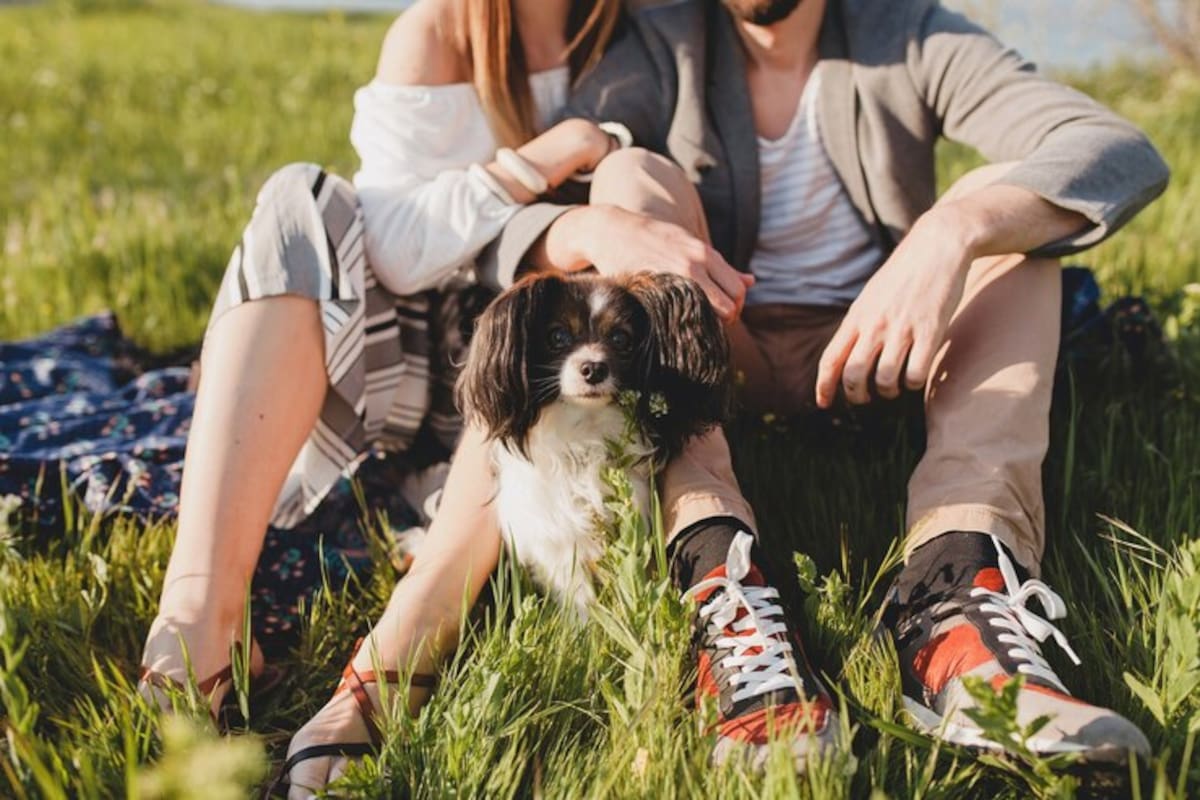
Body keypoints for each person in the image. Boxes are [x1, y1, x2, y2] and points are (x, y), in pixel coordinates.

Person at [477, 0, 1169, 772]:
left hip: (885, 350)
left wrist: (954, 231)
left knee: (1015, 200)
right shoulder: (667, 39)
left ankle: (958, 604)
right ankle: (722, 580)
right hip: (718, 350)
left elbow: (1118, 149)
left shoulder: (905, 33)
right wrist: (588, 229)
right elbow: (510, 213)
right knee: (631, 177)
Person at [136, 0, 624, 778]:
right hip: (405, 374)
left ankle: (406, 628)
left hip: (545, 375)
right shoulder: (435, 33)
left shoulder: (634, 28)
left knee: (559, 286)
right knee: (300, 197)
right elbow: (393, 248)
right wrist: (542, 161)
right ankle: (202, 611)